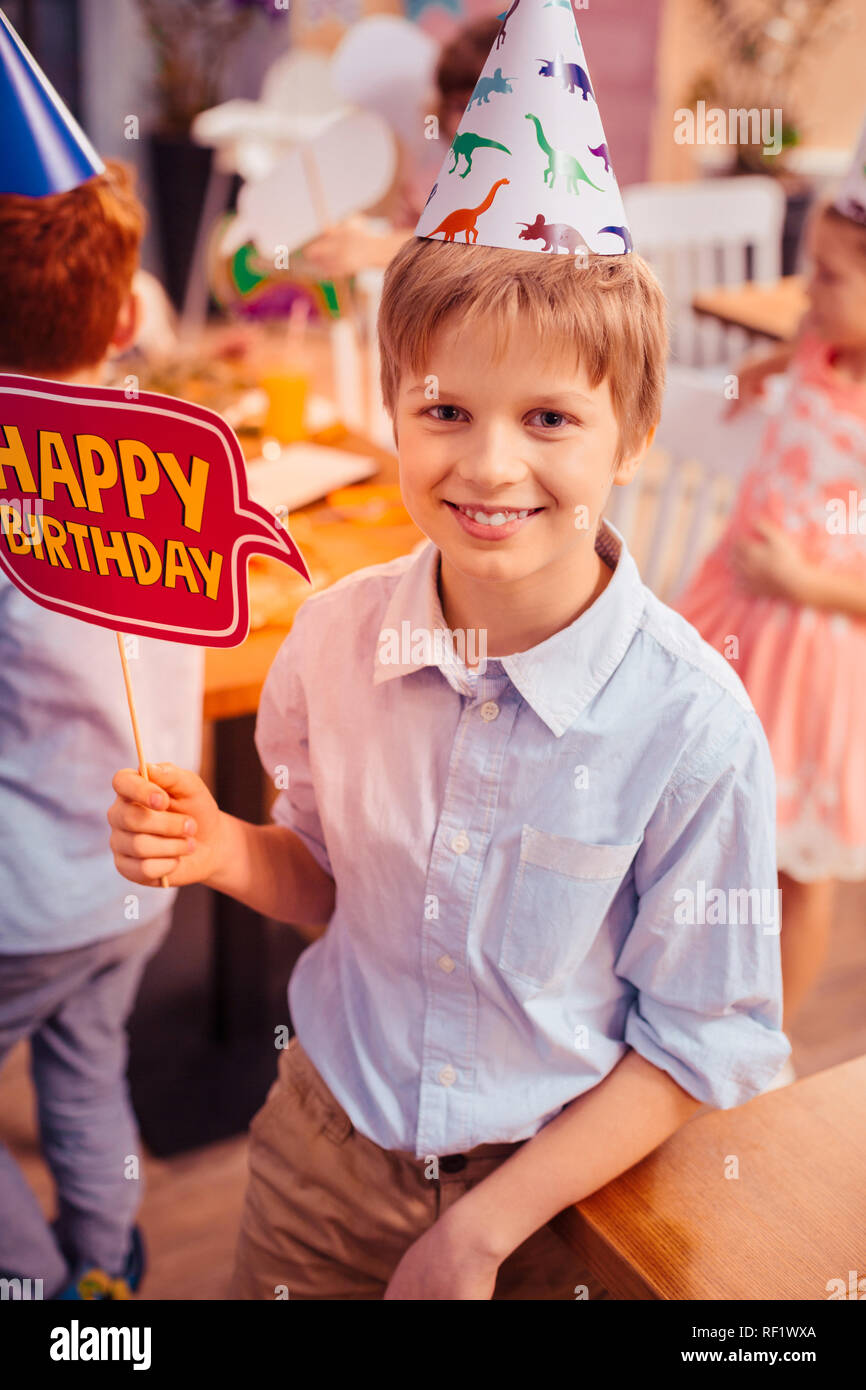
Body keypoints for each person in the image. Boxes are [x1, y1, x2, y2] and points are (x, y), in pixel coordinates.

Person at [0, 158, 203, 1299]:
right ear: (129, 316)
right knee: (86, 1060)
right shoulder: (165, 454)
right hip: (138, 873)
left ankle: (29, 1291)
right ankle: (103, 1271)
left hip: (23, 894)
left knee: (80, 1058)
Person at [675, 195, 866, 1038]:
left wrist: (807, 583)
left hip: (811, 651)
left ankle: (768, 1041)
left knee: (795, 866)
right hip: (734, 612)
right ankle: (680, 1003)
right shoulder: (824, 346)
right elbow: (804, 342)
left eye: (825, 275)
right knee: (699, 819)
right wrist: (767, 366)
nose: (804, 293)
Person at [301, 14, 502, 279]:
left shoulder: (530, 179)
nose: (467, 121)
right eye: (459, 106)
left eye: (485, 103)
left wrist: (373, 247)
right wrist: (403, 231)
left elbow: (489, 248)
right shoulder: (458, 173)